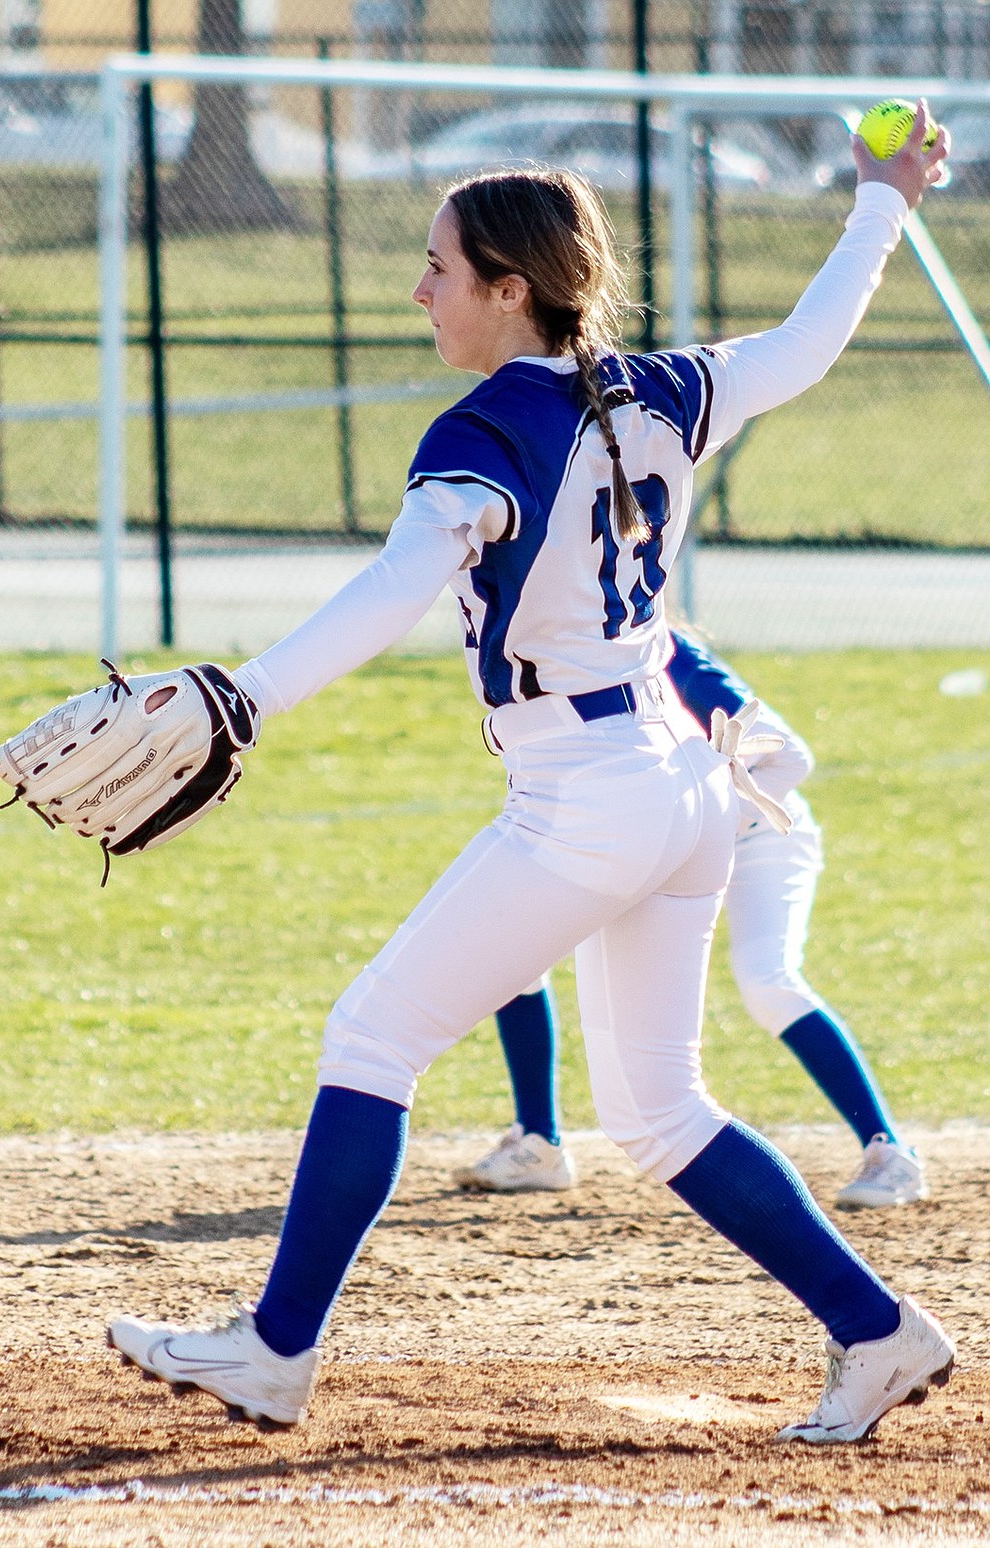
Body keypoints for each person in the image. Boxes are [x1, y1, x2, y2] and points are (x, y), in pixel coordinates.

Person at [108, 104, 954, 1445]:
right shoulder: (659, 388)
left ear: (510, 292)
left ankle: (274, 1352)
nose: (421, 289)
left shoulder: (492, 423)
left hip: (589, 791)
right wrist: (879, 198)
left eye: (441, 268)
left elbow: (398, 586)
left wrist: (246, 693)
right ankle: (880, 1333)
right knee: (661, 1109)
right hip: (679, 780)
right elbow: (803, 348)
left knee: (372, 1040)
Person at [456, 629, 928, 1209]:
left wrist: (701, 829)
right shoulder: (555, 665)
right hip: (648, 845)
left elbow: (791, 758)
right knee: (519, 950)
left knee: (767, 980)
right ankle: (539, 1145)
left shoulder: (657, 650)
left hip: (760, 837)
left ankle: (890, 1152)